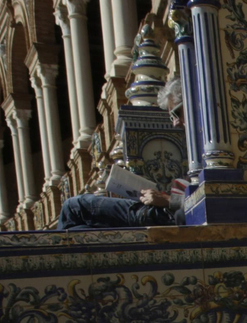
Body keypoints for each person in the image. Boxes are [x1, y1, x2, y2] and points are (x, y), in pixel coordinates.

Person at [55, 79, 189, 230]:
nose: (175, 123)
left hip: (167, 214)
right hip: (167, 210)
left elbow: (214, 198)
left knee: (73, 207)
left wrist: (170, 200)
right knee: (77, 231)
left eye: (176, 114)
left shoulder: (212, 146)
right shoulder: (197, 144)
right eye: (172, 117)